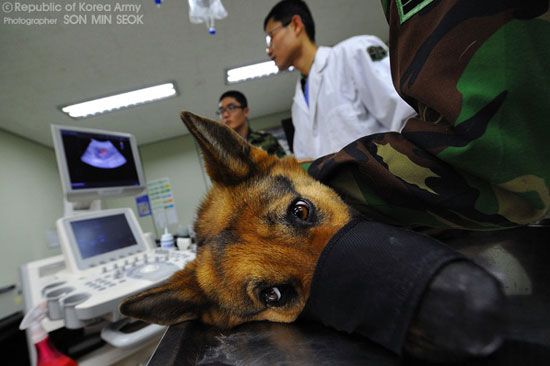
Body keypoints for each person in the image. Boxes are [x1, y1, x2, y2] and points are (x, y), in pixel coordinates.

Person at [263, 0, 415, 160]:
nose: (268, 50)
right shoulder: (297, 106)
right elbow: (306, 161)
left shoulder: (353, 53)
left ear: (295, 25)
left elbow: (404, 118)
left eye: (270, 37)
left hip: (388, 180)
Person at [217, 90, 287, 158]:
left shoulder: (266, 140)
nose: (225, 115)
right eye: (221, 110)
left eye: (231, 108)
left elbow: (285, 168)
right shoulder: (221, 150)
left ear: (245, 111)